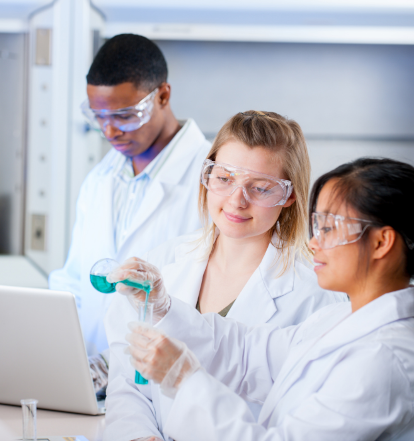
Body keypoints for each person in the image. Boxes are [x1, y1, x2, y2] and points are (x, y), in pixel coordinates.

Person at [120, 157, 414, 441]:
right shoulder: (339, 319)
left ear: (381, 242)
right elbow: (247, 353)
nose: (314, 243)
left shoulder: (383, 360)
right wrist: (164, 308)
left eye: (329, 228)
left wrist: (183, 379)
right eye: (317, 226)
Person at [103, 111, 347, 441]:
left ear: (289, 195)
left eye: (260, 188)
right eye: (224, 178)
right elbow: (128, 383)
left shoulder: (317, 295)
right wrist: (137, 435)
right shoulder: (163, 261)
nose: (237, 200)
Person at [48, 34, 210, 389]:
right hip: (92, 382)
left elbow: (207, 307)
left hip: (163, 387)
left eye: (124, 115)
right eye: (99, 116)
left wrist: (116, 362)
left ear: (162, 96)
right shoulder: (101, 178)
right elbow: (75, 280)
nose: (109, 131)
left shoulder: (213, 182)